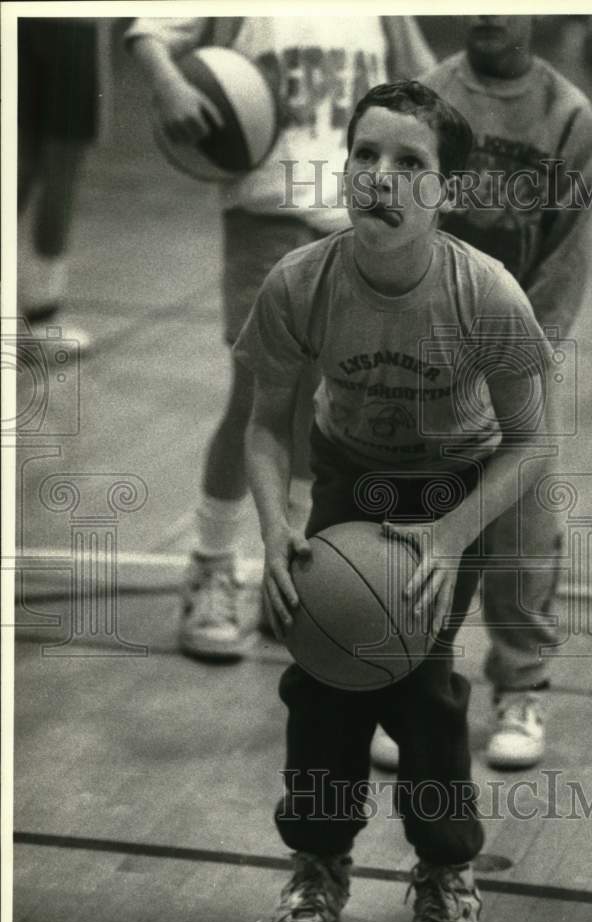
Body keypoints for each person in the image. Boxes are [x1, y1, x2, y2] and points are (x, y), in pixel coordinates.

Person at [235, 81, 555, 922]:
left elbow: (532, 442)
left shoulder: (484, 292)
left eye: (411, 162)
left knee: (418, 682)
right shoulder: (301, 281)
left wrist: (452, 537)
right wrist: (272, 530)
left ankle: (448, 873)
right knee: (323, 676)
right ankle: (318, 864)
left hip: (454, 490)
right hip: (348, 480)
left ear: (444, 189)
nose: (383, 178)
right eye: (367, 155)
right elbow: (265, 424)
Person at [125, 16, 434, 660]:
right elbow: (148, 29)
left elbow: (424, 77)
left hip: (353, 225)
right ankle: (210, 567)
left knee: (321, 415)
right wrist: (168, 87)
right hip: (267, 221)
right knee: (256, 401)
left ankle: (288, 572)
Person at [371, 15, 592, 771]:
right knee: (412, 514)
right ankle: (408, 682)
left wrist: (521, 352)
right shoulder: (428, 95)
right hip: (427, 348)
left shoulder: (567, 115)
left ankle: (522, 686)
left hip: (516, 352)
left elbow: (568, 250)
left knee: (522, 526)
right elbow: (396, 221)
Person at [17, 17, 103, 351]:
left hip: (21, 22)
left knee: (18, 160)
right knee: (62, 165)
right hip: (74, 25)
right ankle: (42, 313)